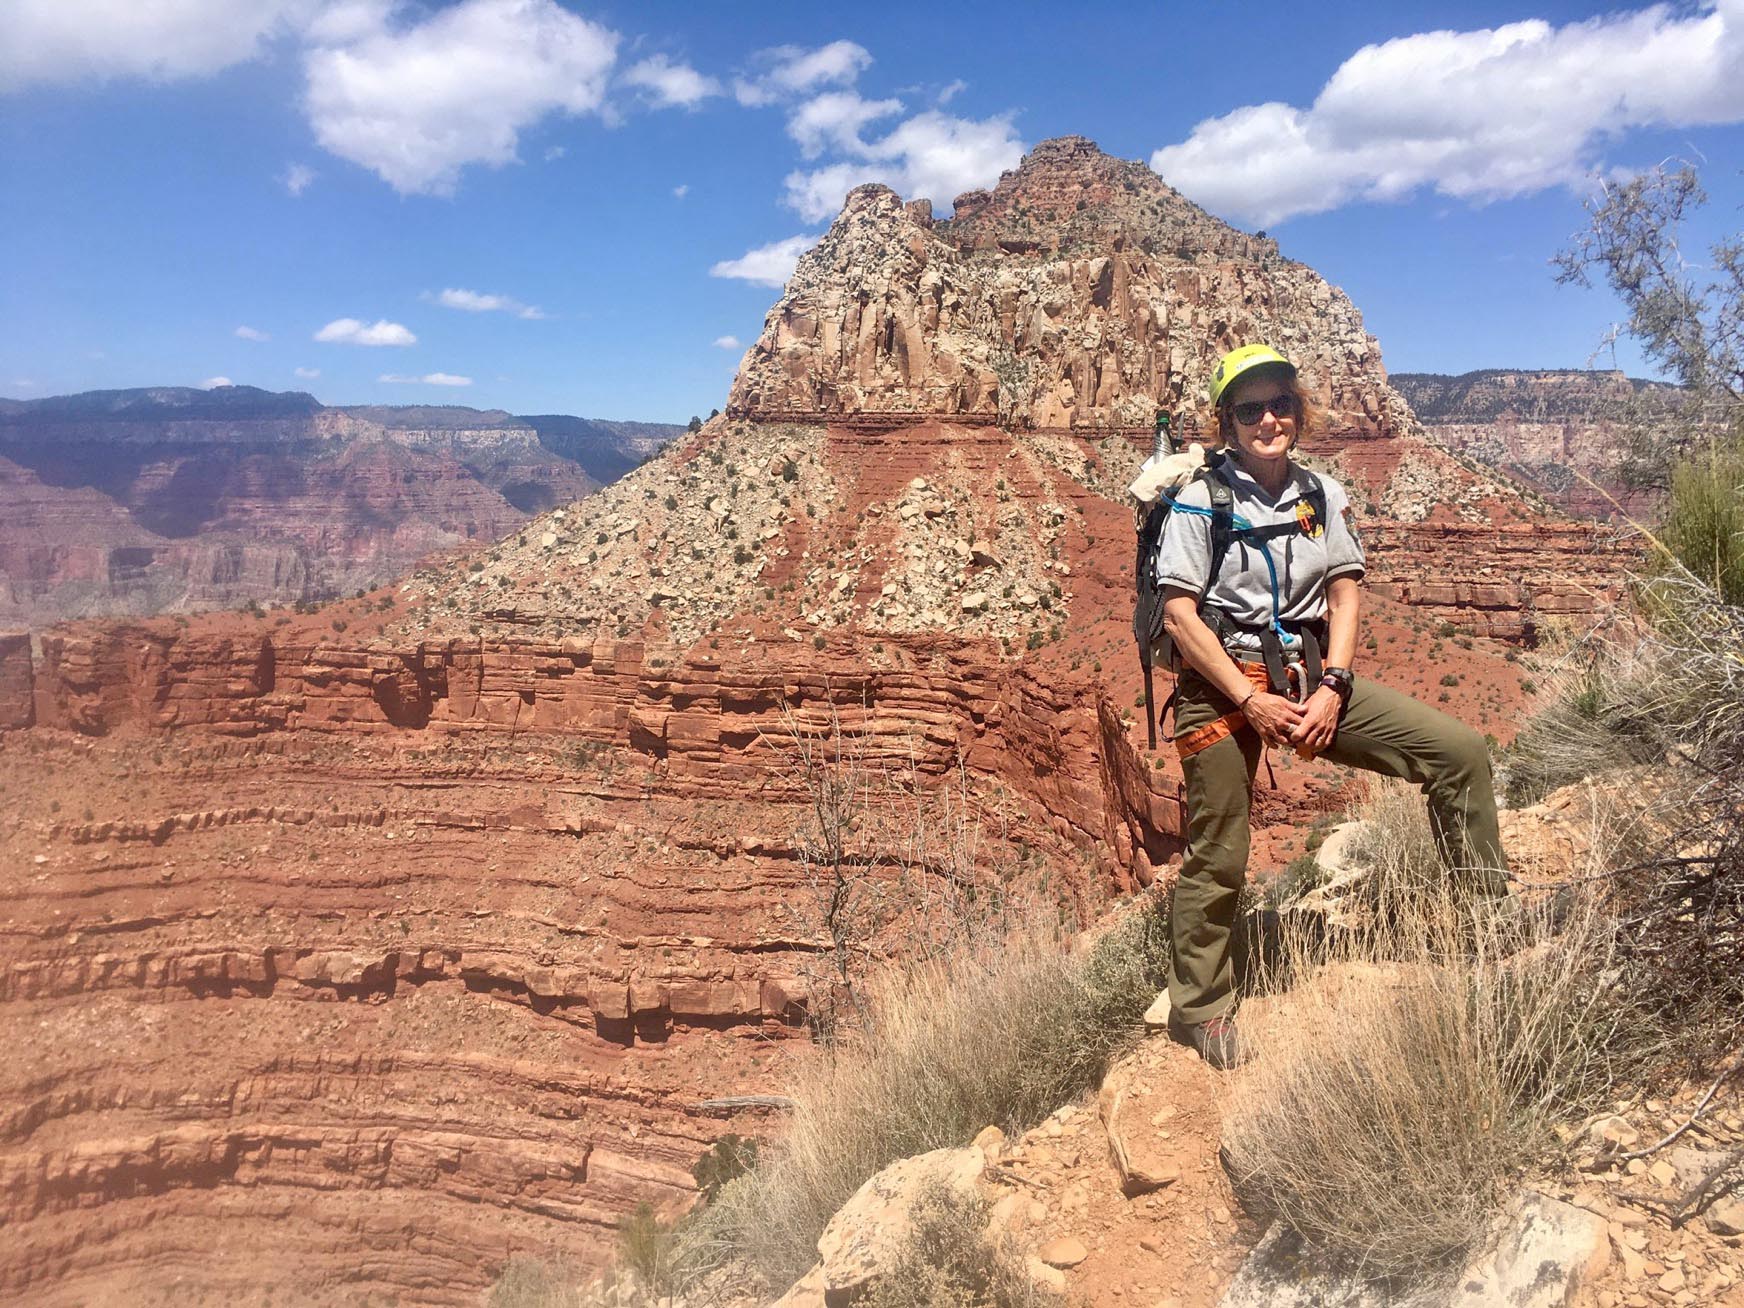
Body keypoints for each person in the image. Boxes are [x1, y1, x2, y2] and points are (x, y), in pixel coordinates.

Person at [1152, 344, 1510, 1069]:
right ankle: (1201, 1008)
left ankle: (1485, 921)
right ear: (1228, 421)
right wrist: (1250, 700)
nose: (1268, 418)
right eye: (1250, 408)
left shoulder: (1323, 493)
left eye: (1280, 402)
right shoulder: (1200, 500)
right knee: (1220, 849)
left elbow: (1346, 591)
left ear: (1299, 410)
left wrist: (1334, 686)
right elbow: (1183, 617)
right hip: (1220, 686)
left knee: (1460, 754)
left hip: (1312, 680)